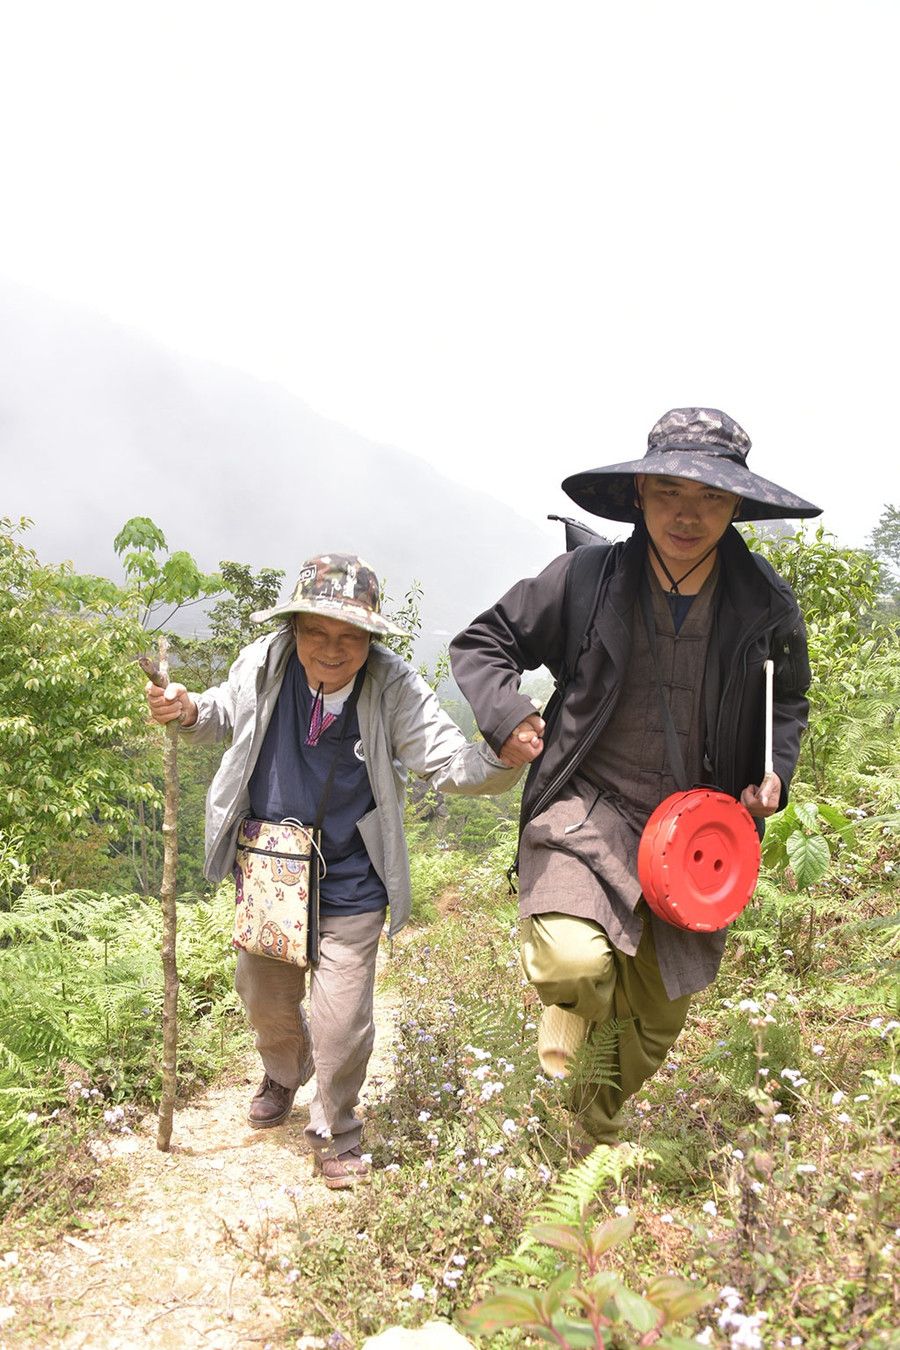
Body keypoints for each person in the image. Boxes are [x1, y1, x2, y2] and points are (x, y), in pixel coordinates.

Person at [449, 407, 822, 1150]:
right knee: (573, 961)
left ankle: (588, 1122)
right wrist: (509, 715)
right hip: (585, 807)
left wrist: (770, 777)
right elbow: (484, 641)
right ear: (641, 495)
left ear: (736, 505)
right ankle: (576, 1019)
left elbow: (789, 703)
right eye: (668, 493)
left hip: (694, 830)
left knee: (655, 1020)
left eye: (711, 498)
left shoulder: (765, 605)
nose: (688, 515)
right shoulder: (587, 579)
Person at [146, 553, 520, 1188]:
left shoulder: (392, 685)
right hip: (272, 873)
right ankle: (284, 1072)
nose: (331, 648)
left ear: (371, 641)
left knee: (342, 1021)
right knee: (263, 998)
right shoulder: (266, 662)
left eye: (350, 635)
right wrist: (184, 709)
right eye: (316, 631)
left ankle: (336, 1127)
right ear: (294, 628)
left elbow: (447, 759)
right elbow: (219, 713)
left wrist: (503, 755)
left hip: (352, 876)